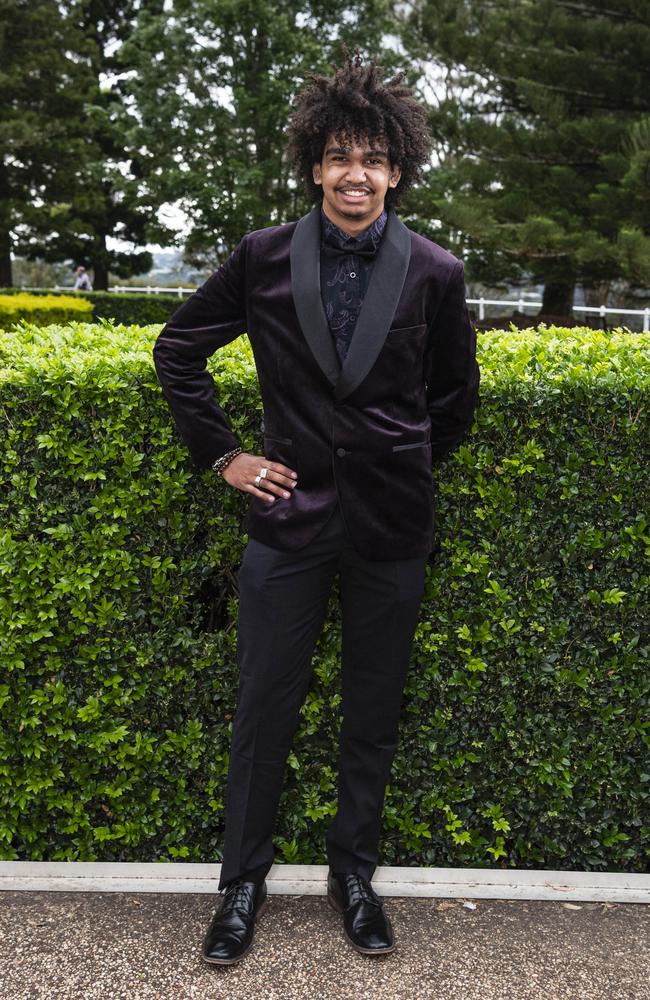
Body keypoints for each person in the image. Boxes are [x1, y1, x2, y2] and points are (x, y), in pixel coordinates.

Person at [152, 52, 480, 965]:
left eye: (373, 158)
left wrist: (402, 462)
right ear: (313, 165)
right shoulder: (260, 256)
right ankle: (242, 885)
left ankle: (354, 879)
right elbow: (177, 352)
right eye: (339, 156)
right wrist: (226, 456)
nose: (356, 175)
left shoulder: (435, 271)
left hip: (390, 525)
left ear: (398, 169)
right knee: (265, 703)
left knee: (372, 708)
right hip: (286, 520)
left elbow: (455, 399)